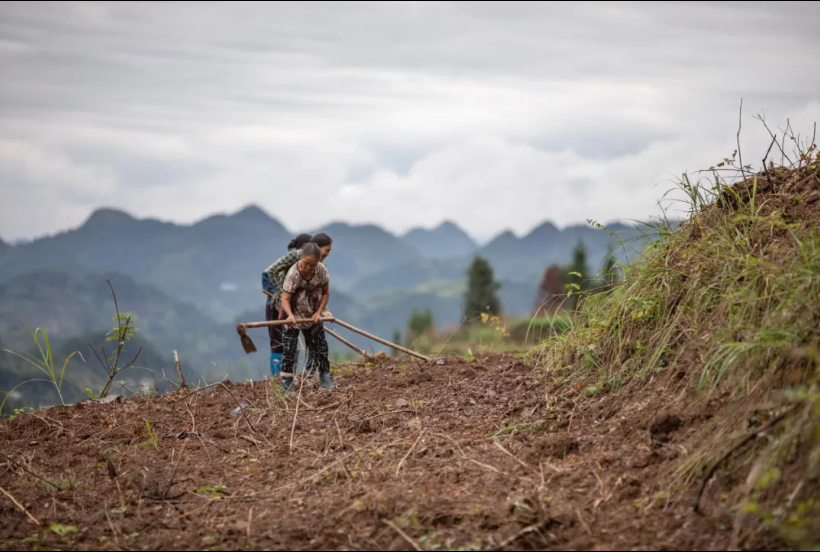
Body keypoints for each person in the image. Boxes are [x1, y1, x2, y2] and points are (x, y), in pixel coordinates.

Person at [279, 242, 334, 391]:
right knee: (289, 350)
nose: (308, 267)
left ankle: (325, 379)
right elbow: (285, 298)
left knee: (321, 347)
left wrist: (319, 312)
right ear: (301, 258)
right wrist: (290, 315)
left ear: (318, 262)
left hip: (313, 314)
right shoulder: (293, 273)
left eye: (312, 265)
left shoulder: (321, 270)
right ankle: (287, 383)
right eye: (305, 264)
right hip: (295, 314)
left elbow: (326, 293)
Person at [263, 233, 312, 377]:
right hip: (276, 306)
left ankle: (291, 376)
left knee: (293, 340)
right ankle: (278, 379)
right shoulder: (291, 259)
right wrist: (280, 294)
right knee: (278, 343)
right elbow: (266, 275)